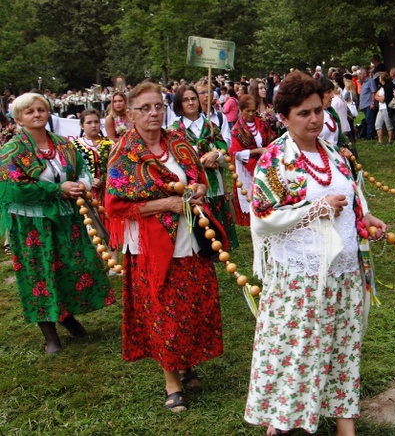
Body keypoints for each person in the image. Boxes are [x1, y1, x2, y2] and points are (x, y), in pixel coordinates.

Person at [244, 71, 386, 436]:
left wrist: (365, 216)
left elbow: (351, 194)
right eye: (304, 113)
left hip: (343, 271)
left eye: (318, 111)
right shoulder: (275, 160)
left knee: (343, 349)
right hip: (300, 276)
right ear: (285, 117)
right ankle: (283, 421)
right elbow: (263, 218)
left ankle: (345, 424)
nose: (315, 120)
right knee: (297, 353)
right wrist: (315, 209)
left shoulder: (335, 155)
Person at [105, 81, 225, 412]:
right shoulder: (125, 152)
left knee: (190, 303)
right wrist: (166, 204)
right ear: (129, 114)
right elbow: (115, 206)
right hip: (151, 246)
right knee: (161, 309)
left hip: (190, 237)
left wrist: (198, 188)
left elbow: (196, 175)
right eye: (145, 108)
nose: (154, 113)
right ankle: (171, 379)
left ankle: (186, 361)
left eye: (158, 106)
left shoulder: (178, 142)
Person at [0, 93, 115, 353]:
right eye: (30, 112)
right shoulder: (12, 149)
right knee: (39, 273)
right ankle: (50, 334)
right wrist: (55, 189)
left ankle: (65, 314)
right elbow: (12, 187)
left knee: (69, 267)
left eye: (41, 109)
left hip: (65, 218)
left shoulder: (63, 144)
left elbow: (83, 168)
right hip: (32, 225)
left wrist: (81, 185)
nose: (37, 114)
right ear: (19, 118)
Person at [169, 84, 238, 250]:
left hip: (215, 182)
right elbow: (174, 160)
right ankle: (203, 246)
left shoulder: (211, 127)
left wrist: (216, 155)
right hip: (192, 183)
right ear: (179, 104)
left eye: (193, 98)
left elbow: (225, 152)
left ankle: (223, 242)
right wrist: (200, 160)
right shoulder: (175, 131)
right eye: (185, 100)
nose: (191, 102)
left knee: (217, 212)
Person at [230, 93, 275, 226]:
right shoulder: (236, 130)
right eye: (247, 111)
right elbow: (236, 153)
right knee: (252, 196)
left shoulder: (261, 124)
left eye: (253, 111)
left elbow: (272, 140)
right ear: (241, 110)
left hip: (265, 164)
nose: (250, 114)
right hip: (246, 167)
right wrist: (258, 151)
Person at [73, 109, 113, 205]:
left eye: (96, 122)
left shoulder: (110, 143)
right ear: (82, 126)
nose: (93, 125)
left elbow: (118, 168)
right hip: (85, 192)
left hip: (108, 191)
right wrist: (89, 180)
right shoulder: (74, 146)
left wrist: (104, 179)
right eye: (89, 123)